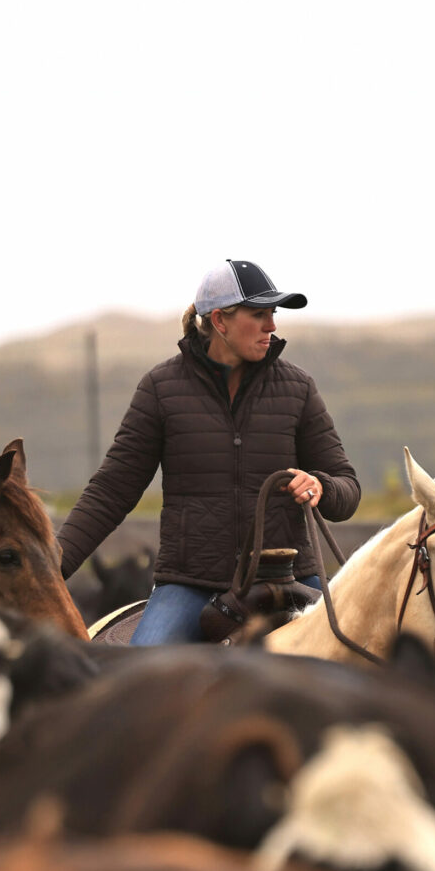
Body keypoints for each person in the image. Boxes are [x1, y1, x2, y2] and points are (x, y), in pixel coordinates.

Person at [56, 258, 361, 644]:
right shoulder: (160, 389)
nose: (272, 326)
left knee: (360, 657)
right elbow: (110, 492)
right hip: (190, 585)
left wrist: (320, 485)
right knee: (146, 668)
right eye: (259, 314)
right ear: (220, 321)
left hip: (291, 580)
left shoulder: (298, 389)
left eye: (273, 314)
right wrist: (50, 567)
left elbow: (347, 489)